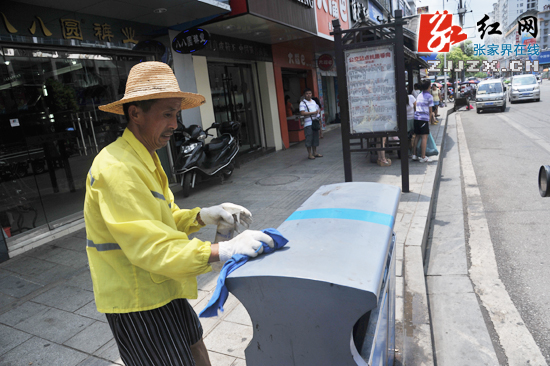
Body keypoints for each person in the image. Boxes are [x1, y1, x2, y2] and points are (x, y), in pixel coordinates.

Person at [84, 61, 274, 366]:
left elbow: (163, 217)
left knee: (195, 346)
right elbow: (151, 246)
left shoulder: (145, 156)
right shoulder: (116, 169)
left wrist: (203, 216)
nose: (175, 124)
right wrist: (224, 249)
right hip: (136, 299)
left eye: (177, 114)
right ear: (135, 113)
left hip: (161, 284)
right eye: (167, 114)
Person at [412, 79, 434, 163]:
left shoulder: (419, 95)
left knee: (417, 136)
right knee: (424, 137)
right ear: (429, 86)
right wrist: (430, 119)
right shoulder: (429, 96)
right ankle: (423, 156)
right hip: (423, 118)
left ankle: (414, 155)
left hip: (416, 118)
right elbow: (430, 109)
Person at [300, 88, 322, 160]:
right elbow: (302, 113)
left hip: (315, 122)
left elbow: (317, 111)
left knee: (315, 138)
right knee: (309, 138)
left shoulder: (313, 102)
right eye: (307, 93)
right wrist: (313, 113)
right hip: (308, 123)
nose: (308, 95)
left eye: (310, 93)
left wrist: (318, 117)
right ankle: (309, 154)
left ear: (311, 94)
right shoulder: (302, 103)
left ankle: (315, 152)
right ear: (304, 95)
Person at [406, 89, 416, 155]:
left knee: (412, 136)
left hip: (412, 119)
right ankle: (411, 151)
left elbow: (416, 107)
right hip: (407, 121)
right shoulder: (410, 97)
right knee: (409, 137)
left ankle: (412, 151)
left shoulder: (411, 97)